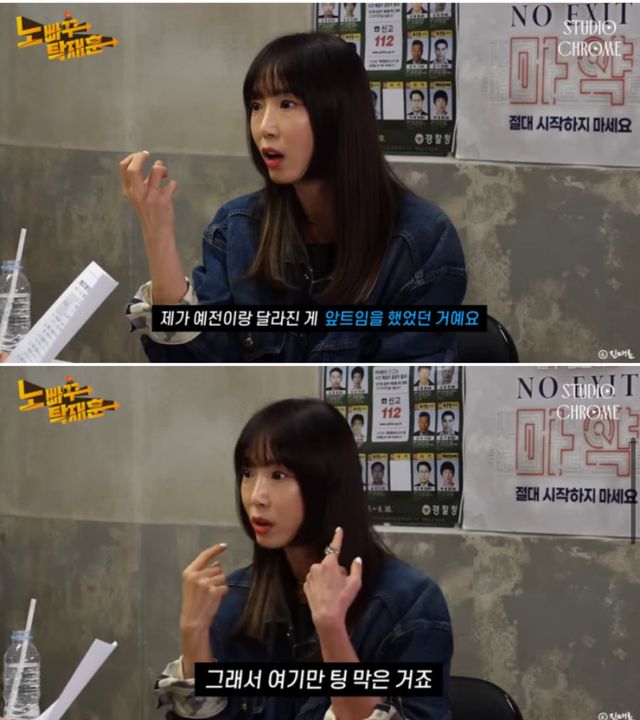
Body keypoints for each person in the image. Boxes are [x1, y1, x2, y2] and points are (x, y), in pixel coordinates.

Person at [121, 33, 466, 363]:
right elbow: (192, 364)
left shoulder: (422, 242)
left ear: (340, 113)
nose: (264, 127)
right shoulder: (236, 228)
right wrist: (158, 234)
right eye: (256, 106)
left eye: (287, 104)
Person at [155, 399, 453, 720]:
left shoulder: (409, 603)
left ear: (327, 485)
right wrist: (194, 632)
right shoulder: (234, 598)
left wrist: (331, 628)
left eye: (278, 475)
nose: (256, 496)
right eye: (247, 473)